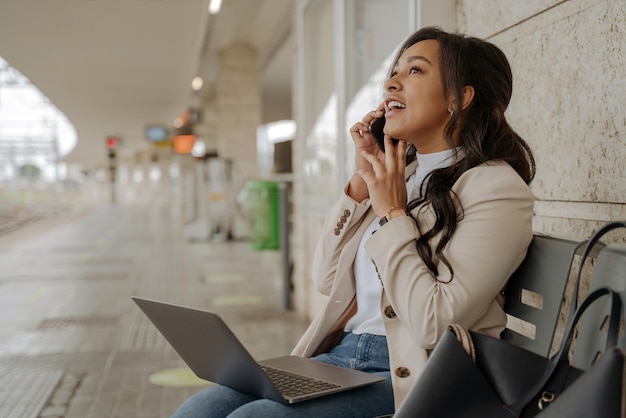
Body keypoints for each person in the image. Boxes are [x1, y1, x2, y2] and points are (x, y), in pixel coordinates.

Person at [171, 25, 536, 418]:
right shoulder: (400, 174)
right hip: (344, 355)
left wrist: (393, 215)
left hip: (417, 373)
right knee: (202, 408)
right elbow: (325, 279)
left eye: (414, 71)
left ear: (459, 98)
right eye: (393, 71)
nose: (392, 82)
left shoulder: (495, 187)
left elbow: (434, 324)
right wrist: (361, 186)